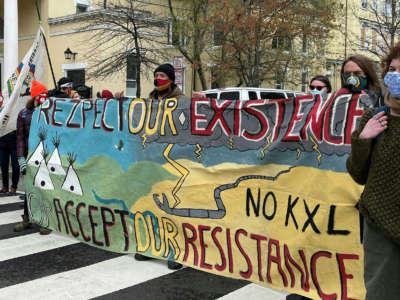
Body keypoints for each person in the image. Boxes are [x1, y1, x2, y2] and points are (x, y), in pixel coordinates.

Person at [346, 42, 400, 299]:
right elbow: (357, 173)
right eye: (393, 69)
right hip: (380, 229)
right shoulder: (373, 117)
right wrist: (363, 139)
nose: (396, 76)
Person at [134, 63, 184, 270]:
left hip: (172, 158)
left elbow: (185, 125)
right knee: (149, 203)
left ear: (171, 79)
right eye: (156, 75)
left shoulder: (182, 101)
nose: (158, 79)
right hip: (150, 158)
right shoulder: (151, 100)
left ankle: (175, 251)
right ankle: (149, 246)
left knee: (171, 206)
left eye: (162, 75)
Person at [14, 80, 52, 235]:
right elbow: (20, 137)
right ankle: (27, 219)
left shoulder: (51, 112)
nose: (44, 98)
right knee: (30, 187)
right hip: (30, 157)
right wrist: (20, 158)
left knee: (46, 189)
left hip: (46, 157)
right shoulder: (23, 113)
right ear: (35, 97)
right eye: (41, 95)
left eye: (45, 95)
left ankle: (47, 220)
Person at [0, 130, 19, 196]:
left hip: (15, 143)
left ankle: (14, 187)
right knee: (3, 165)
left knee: (15, 166)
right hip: (2, 142)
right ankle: (5, 187)